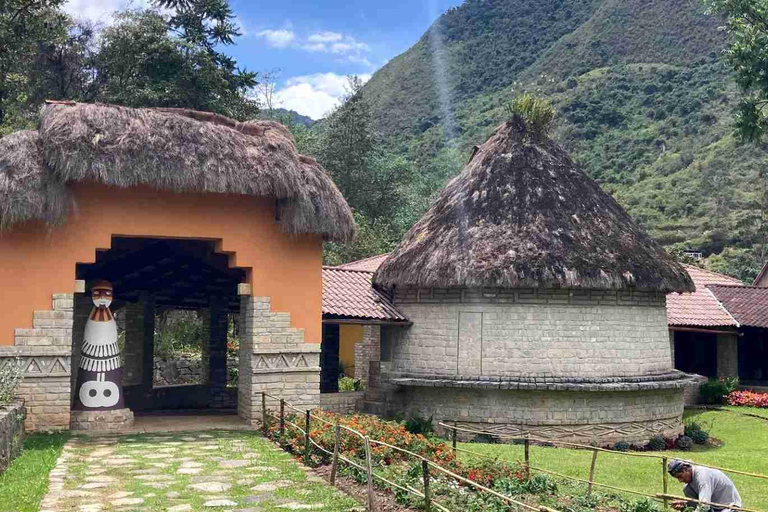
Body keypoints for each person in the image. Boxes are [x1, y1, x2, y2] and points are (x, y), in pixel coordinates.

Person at [668, 459, 742, 512]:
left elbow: (704, 506)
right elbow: (694, 507)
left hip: (729, 507)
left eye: (680, 476)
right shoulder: (688, 487)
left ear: (685, 470)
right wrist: (684, 506)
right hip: (713, 507)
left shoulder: (702, 476)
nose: (680, 481)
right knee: (686, 489)